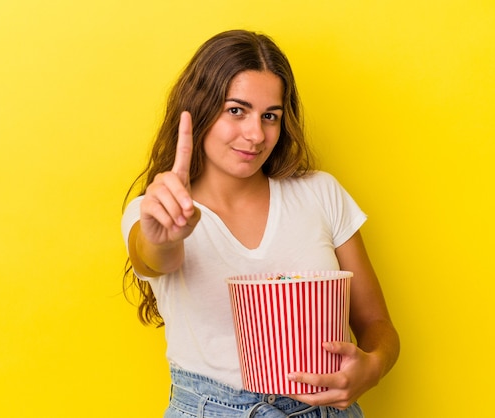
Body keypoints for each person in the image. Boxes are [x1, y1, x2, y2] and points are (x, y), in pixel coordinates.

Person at [121, 29, 399, 417]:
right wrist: (164, 237)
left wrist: (373, 367)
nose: (255, 135)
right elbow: (153, 256)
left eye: (270, 116)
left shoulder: (320, 193)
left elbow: (376, 323)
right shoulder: (155, 212)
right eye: (236, 110)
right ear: (200, 109)